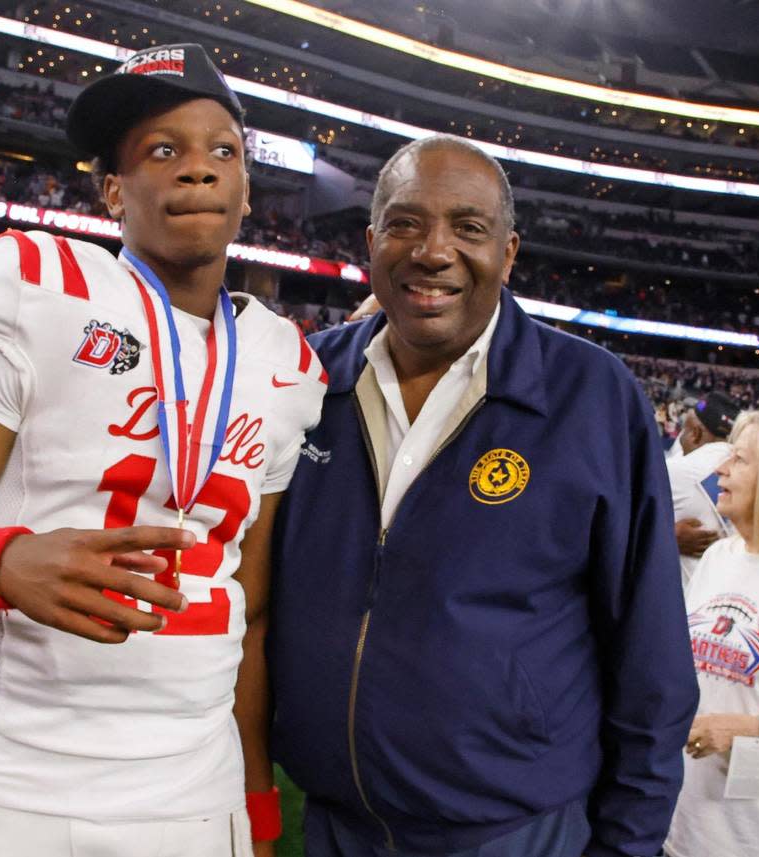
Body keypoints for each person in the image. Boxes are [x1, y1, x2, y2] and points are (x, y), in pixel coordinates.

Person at [0, 43, 326, 857]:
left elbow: (250, 613)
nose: (198, 170)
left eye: (222, 151)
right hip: (34, 779)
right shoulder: (35, 286)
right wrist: (0, 565)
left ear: (248, 187)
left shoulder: (284, 360)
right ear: (113, 190)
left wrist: (259, 802)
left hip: (202, 783)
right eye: (164, 151)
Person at [270, 135, 699, 857]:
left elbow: (650, 656)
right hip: (335, 824)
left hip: (514, 833)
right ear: (371, 241)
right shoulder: (307, 381)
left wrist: (629, 844)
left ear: (507, 253)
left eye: (468, 228)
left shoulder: (590, 397)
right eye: (406, 223)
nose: (433, 251)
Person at [665, 410, 759, 857]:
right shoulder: (719, 556)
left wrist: (753, 728)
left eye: (739, 459)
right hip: (682, 828)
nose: (720, 467)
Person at [667, 391, 741, 586]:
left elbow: (613, 525)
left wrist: (664, 537)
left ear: (695, 433)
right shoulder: (756, 473)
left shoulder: (673, 472)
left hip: (679, 602)